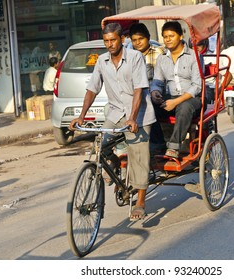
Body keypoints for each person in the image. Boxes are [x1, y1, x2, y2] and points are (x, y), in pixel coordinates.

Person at [69, 22, 156, 221]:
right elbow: (92, 88)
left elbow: (139, 89)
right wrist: (82, 115)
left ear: (122, 40)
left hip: (139, 115)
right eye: (106, 41)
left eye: (113, 40)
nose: (110, 44)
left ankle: (141, 201)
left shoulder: (135, 58)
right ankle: (115, 166)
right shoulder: (101, 61)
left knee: (138, 155)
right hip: (116, 113)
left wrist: (133, 118)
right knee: (101, 145)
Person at [150, 21, 202, 159]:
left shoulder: (193, 56)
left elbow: (197, 85)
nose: (168, 39)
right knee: (149, 104)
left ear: (180, 36)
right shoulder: (162, 58)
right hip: (171, 98)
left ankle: (173, 147)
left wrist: (176, 102)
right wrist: (155, 92)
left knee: (184, 107)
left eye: (171, 36)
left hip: (192, 99)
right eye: (165, 36)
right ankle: (158, 143)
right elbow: (158, 82)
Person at [129, 23, 165, 153]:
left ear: (148, 38)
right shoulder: (128, 56)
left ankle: (158, 143)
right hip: (135, 94)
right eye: (134, 40)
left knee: (149, 105)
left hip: (157, 93)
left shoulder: (160, 53)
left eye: (141, 39)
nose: (138, 43)